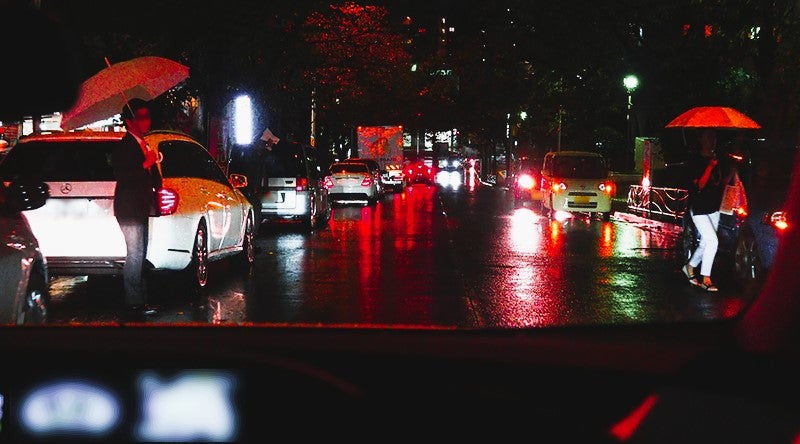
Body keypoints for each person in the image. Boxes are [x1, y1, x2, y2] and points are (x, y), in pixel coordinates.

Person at [112, 99, 161, 318]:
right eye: (141, 117)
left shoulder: (144, 143)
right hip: (129, 208)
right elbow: (124, 174)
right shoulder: (125, 145)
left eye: (147, 116)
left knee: (140, 254)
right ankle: (134, 301)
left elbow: (152, 178)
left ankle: (141, 299)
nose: (146, 121)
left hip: (141, 206)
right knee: (135, 254)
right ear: (130, 121)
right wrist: (146, 164)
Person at [682, 129, 734, 292]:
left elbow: (719, 183)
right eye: (709, 136)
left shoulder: (716, 159)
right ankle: (706, 278)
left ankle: (689, 267)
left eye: (714, 137)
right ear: (700, 139)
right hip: (699, 207)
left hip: (714, 207)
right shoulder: (694, 159)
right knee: (713, 241)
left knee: (705, 242)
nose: (713, 140)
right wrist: (710, 166)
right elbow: (700, 185)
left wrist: (732, 172)